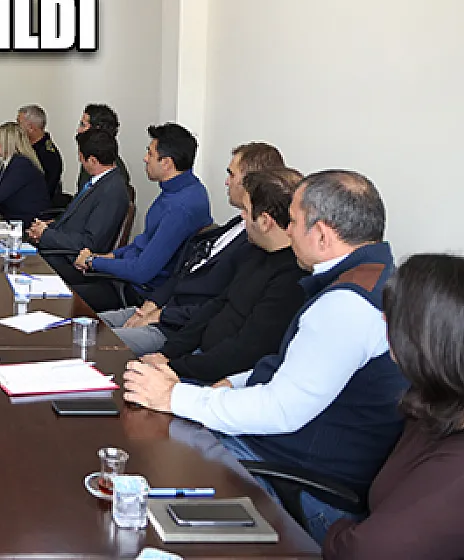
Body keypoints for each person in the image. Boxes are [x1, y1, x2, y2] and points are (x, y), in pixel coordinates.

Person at [124, 171, 408, 543]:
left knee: (149, 452)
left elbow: (281, 411)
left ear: (322, 235)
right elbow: (297, 369)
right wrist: (232, 383)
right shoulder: (375, 278)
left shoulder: (346, 307)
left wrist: (173, 396)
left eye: (294, 222)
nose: (288, 232)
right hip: (288, 452)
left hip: (302, 484)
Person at [324, 254, 464, 558]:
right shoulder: (433, 400)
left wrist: (334, 531)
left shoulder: (455, 463)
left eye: (393, 317)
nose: (384, 322)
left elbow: (367, 551)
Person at [102, 142, 285, 354]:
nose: (226, 182)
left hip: (176, 329)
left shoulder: (254, 246)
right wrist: (151, 304)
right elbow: (184, 272)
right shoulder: (236, 225)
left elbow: (215, 306)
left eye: (231, 174)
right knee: (78, 325)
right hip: (160, 306)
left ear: (251, 181)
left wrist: (160, 315)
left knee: (92, 343)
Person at [138, 168, 308, 381]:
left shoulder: (291, 279)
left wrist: (174, 368)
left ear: (265, 221)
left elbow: (244, 351)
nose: (242, 216)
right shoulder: (254, 252)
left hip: (221, 378)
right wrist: (167, 353)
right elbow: (216, 306)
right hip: (198, 358)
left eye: (246, 210)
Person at [69, 123, 212, 312]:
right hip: (128, 279)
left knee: (64, 300)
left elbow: (141, 271)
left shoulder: (181, 207)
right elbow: (143, 242)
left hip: (139, 293)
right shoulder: (181, 189)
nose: (145, 159)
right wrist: (110, 256)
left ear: (166, 163)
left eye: (150, 154)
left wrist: (92, 262)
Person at [30, 129, 130, 256]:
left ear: (93, 160)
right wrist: (45, 229)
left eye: (81, 157)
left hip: (67, 258)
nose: (80, 160)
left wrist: (46, 235)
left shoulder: (112, 192)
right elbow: (75, 222)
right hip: (58, 246)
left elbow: (89, 243)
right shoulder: (99, 182)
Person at [75, 103, 130, 188]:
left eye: (83, 125)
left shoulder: (112, 171)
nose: (78, 130)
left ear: (97, 130)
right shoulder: (92, 156)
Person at [17, 104, 64, 202]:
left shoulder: (48, 155)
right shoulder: (23, 146)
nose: (16, 128)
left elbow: (46, 189)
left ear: (31, 128)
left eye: (19, 123)